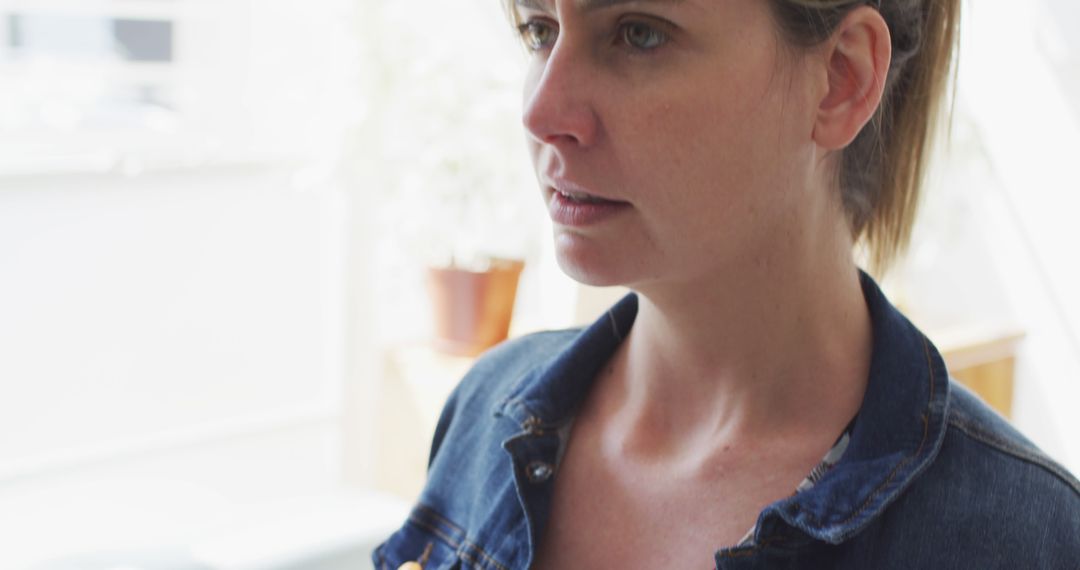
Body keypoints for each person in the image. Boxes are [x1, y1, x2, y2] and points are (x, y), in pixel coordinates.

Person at [374, 0, 1080, 568]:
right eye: (539, 30)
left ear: (841, 78)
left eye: (638, 34)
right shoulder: (483, 418)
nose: (542, 113)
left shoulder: (1025, 539)